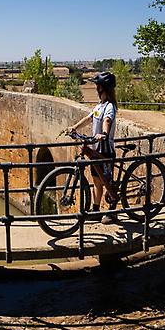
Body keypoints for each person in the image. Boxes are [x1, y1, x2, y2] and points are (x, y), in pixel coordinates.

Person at [67, 71, 119, 224]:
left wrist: (103, 133)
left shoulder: (110, 106)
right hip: (96, 148)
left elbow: (108, 120)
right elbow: (89, 118)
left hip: (105, 149)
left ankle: (113, 209)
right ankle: (96, 210)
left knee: (107, 181)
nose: (96, 88)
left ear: (103, 88)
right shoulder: (99, 105)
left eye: (98, 85)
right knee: (97, 181)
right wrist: (74, 127)